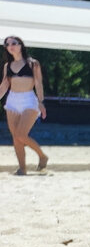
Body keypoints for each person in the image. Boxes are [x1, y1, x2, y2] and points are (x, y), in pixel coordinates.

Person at [1, 36, 49, 175]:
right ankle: (22, 168)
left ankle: (42, 156)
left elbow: (39, 83)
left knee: (21, 134)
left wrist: (41, 102)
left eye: (14, 43)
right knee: (16, 137)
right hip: (12, 101)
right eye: (7, 44)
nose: (11, 46)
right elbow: (4, 85)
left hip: (29, 100)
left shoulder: (32, 63)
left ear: (21, 45)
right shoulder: (7, 66)